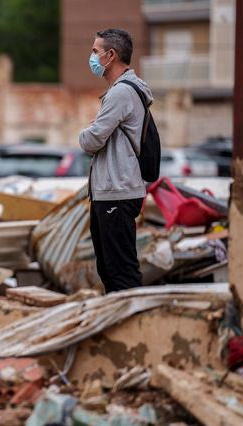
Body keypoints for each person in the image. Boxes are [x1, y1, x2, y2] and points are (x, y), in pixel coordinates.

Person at [79, 28, 153, 293]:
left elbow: (92, 140)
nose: (91, 57)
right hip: (109, 193)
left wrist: (86, 132)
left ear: (111, 56)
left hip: (117, 194)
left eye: (95, 51)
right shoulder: (119, 92)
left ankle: (134, 326)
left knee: (121, 272)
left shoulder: (121, 93)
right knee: (109, 270)